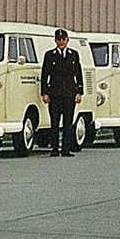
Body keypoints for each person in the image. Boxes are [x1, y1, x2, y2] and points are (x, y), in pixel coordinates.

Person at [41, 28, 84, 156]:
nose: (61, 42)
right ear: (55, 41)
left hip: (69, 93)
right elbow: (45, 74)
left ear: (67, 40)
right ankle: (54, 149)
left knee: (68, 122)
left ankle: (66, 149)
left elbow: (78, 73)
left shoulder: (73, 54)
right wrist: (44, 92)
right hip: (54, 93)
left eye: (63, 40)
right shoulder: (50, 55)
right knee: (54, 122)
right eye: (59, 40)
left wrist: (79, 92)